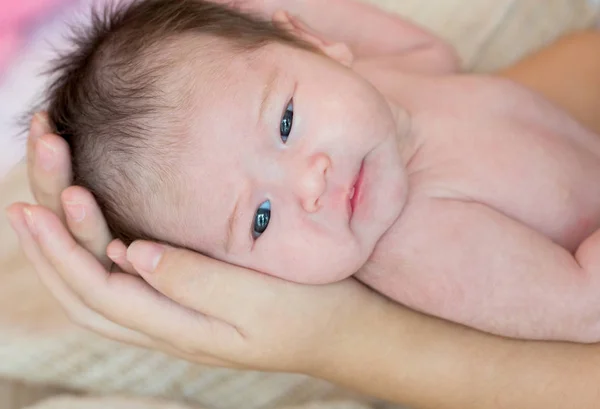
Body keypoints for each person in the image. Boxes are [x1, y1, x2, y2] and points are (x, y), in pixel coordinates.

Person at [7, 2, 600, 408]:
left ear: (316, 44)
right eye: (261, 219)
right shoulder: (420, 245)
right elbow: (584, 304)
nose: (310, 183)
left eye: (287, 121)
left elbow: (432, 49)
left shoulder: (386, 83)